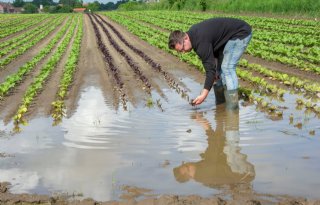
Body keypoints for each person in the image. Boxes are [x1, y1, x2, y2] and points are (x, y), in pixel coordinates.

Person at [168, 17, 252, 110]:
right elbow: (213, 49)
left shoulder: (200, 42)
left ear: (186, 38)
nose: (183, 52)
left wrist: (203, 95)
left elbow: (210, 71)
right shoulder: (193, 37)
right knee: (218, 72)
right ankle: (221, 104)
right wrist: (216, 70)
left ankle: (233, 107)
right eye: (180, 51)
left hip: (240, 33)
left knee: (227, 68)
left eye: (182, 49)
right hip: (226, 39)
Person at [173, 109, 255, 192]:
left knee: (222, 146)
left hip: (244, 177)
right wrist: (203, 123)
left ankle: (222, 118)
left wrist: (219, 123)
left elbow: (217, 143)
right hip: (246, 173)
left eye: (184, 163)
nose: (187, 162)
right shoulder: (203, 172)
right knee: (229, 143)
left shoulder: (201, 177)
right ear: (188, 174)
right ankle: (231, 116)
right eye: (186, 166)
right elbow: (213, 144)